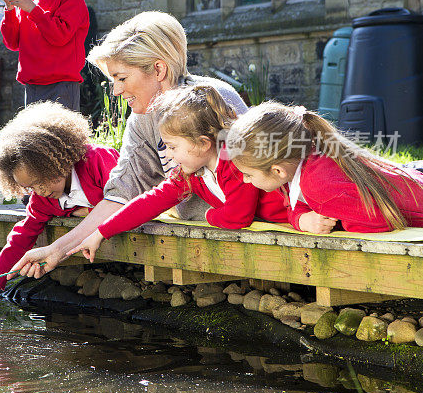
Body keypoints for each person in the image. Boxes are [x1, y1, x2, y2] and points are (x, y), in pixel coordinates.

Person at [11, 11, 247, 278]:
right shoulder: (141, 120)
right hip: (200, 236)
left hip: (238, 230)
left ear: (159, 69)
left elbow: (249, 172)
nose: (116, 91)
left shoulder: (216, 100)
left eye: (121, 78)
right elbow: (121, 192)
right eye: (113, 80)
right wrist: (57, 249)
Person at [67, 85, 288, 262]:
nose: (170, 155)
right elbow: (150, 202)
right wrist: (100, 233)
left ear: (202, 144)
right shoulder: (190, 173)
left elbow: (237, 217)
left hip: (296, 213)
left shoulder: (234, 162)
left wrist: (209, 215)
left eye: (173, 147)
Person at [0, 102, 119, 327]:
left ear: (56, 160)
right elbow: (20, 238)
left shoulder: (98, 160)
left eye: (40, 181)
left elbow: (124, 200)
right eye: (30, 187)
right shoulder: (43, 199)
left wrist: (87, 212)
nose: (38, 191)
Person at [225, 102, 423, 233]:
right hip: (419, 177)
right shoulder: (301, 159)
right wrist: (301, 219)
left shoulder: (318, 187)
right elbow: (293, 206)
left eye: (248, 174)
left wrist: (338, 221)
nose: (244, 180)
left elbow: (379, 220)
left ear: (277, 170)